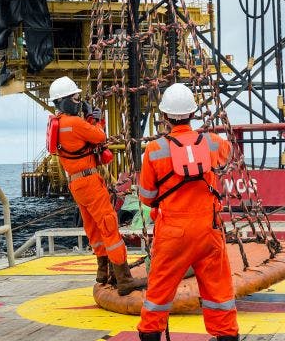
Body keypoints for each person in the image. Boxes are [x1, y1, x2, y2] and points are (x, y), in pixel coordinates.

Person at [136, 83, 238, 341]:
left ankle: (150, 334)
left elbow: (147, 197)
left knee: (158, 295)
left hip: (172, 233)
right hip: (208, 230)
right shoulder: (214, 143)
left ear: (164, 116)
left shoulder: (154, 150)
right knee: (219, 293)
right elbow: (229, 156)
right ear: (194, 114)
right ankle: (225, 334)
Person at [48, 76, 146, 295]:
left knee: (92, 227)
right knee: (109, 225)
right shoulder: (75, 123)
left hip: (76, 183)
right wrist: (95, 120)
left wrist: (89, 120)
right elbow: (99, 137)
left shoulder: (59, 124)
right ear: (65, 100)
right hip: (89, 181)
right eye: (75, 98)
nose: (78, 102)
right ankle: (123, 279)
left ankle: (103, 272)